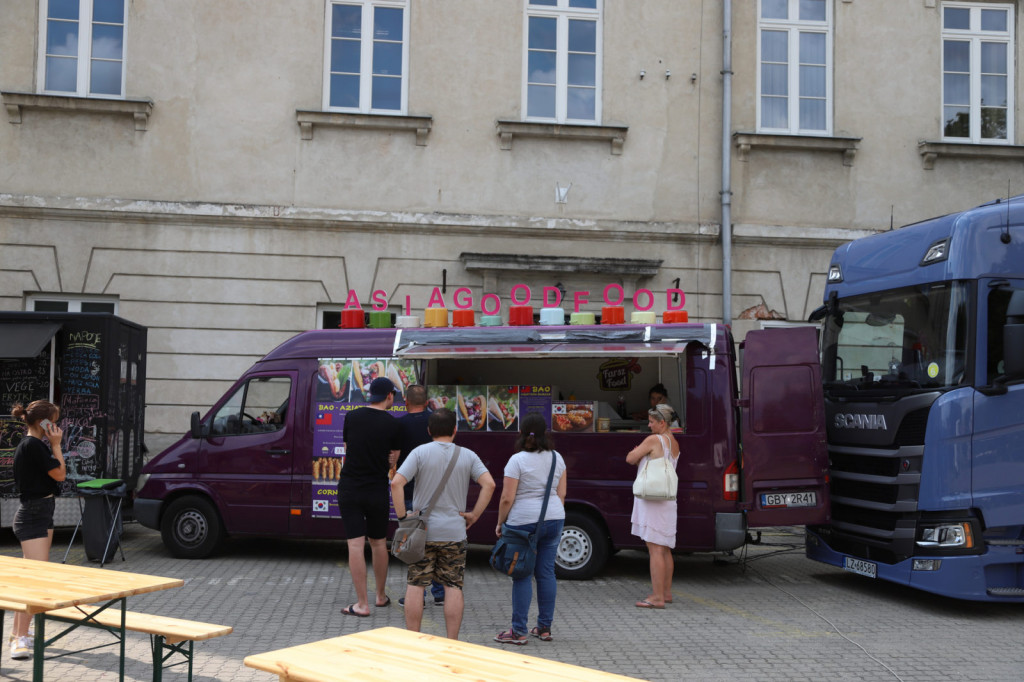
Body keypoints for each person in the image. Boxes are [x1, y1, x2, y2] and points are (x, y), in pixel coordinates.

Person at [391, 408, 495, 639]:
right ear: (455, 430)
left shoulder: (420, 452)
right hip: (455, 532)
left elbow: (396, 483)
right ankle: (452, 643)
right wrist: (474, 514)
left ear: (429, 431)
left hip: (422, 533)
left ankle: (413, 640)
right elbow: (489, 484)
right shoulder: (468, 455)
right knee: (453, 586)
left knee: (416, 585)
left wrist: (403, 518)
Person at [493, 414, 567, 645]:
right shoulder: (557, 458)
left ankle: (518, 631)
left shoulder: (517, 460)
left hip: (522, 523)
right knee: (546, 573)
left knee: (522, 574)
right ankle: (544, 627)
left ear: (522, 434)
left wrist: (500, 522)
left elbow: (507, 498)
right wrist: (550, 517)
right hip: (554, 518)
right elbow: (561, 494)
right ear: (545, 434)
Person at [339, 376, 402, 617]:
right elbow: (393, 460)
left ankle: (361, 604)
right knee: (378, 543)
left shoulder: (351, 417)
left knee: (355, 544)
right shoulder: (393, 424)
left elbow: (348, 450)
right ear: (389, 396)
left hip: (350, 487)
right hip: (376, 488)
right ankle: (380, 596)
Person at [9, 400, 66, 660]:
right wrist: (56, 445)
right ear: (44, 423)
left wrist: (52, 446)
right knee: (35, 582)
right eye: (53, 421)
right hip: (33, 515)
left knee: (32, 578)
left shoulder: (32, 445)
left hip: (41, 513)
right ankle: (18, 639)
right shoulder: (34, 445)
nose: (56, 426)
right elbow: (60, 475)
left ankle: (19, 632)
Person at [395, 384, 446, 607]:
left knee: (416, 544)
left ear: (406, 401)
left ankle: (418, 595)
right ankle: (440, 592)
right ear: (427, 403)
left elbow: (394, 458)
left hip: (410, 491)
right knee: (436, 541)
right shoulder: (434, 422)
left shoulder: (400, 424)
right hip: (435, 491)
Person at [626, 403, 681, 609]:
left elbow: (630, 458)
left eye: (651, 422)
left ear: (662, 422)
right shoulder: (673, 442)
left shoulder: (654, 440)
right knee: (664, 548)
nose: (648, 425)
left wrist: (636, 452)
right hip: (667, 499)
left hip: (652, 499)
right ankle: (665, 593)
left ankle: (657, 598)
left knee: (654, 549)